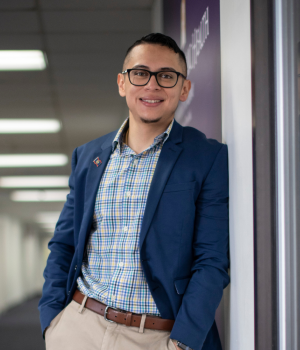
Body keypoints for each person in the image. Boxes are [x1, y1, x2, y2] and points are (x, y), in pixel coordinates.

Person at [38, 33, 229, 350]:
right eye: (140, 73)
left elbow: (211, 261)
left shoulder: (206, 157)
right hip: (78, 327)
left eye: (166, 76)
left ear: (184, 89)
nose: (152, 85)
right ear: (122, 83)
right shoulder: (88, 156)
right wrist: (53, 322)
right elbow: (64, 244)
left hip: (155, 337)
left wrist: (183, 343)